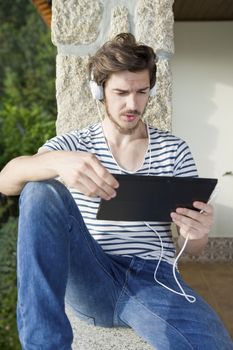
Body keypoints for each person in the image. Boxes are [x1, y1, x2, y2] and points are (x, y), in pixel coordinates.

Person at [0, 33, 232, 350]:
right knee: (40, 190)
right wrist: (58, 162)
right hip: (91, 273)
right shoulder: (76, 145)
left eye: (141, 92)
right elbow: (6, 180)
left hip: (155, 279)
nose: (132, 104)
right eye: (121, 92)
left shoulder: (174, 150)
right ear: (100, 91)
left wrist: (197, 231)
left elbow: (193, 249)